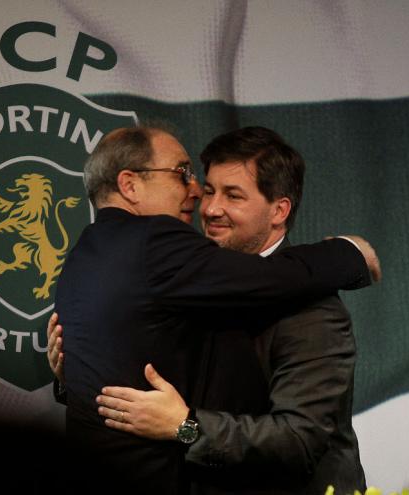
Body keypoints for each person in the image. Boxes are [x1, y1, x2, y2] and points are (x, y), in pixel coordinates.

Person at [52, 125, 377, 494]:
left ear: (279, 210)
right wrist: (75, 373)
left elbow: (298, 441)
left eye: (233, 195)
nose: (208, 207)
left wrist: (186, 427)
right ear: (128, 185)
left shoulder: (312, 309)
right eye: (208, 190)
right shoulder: (185, 279)